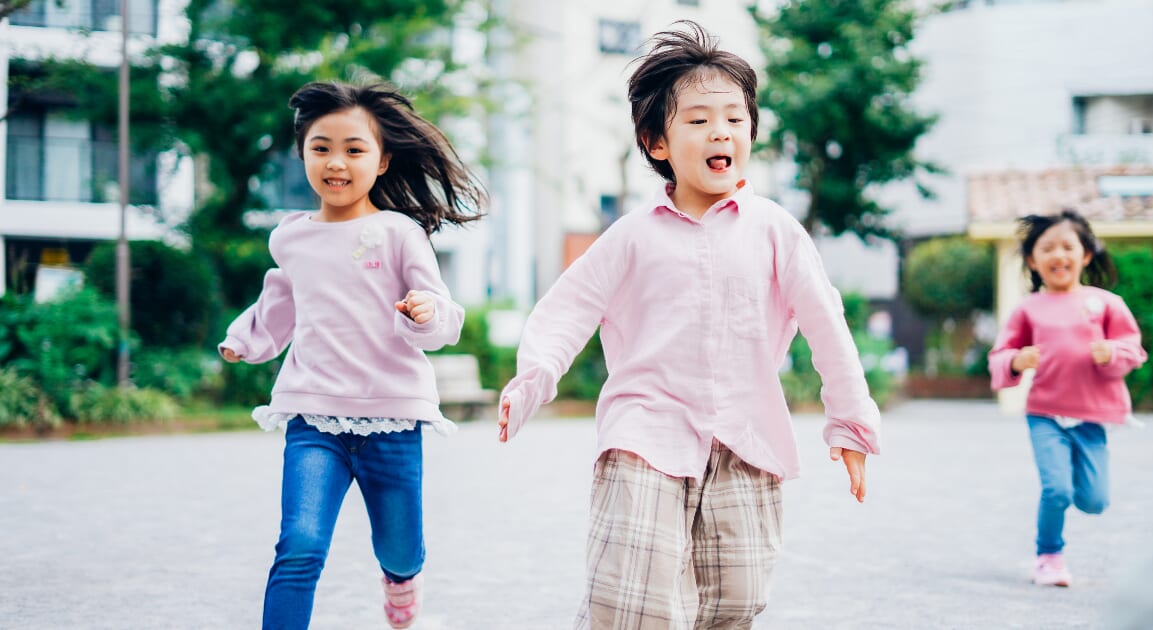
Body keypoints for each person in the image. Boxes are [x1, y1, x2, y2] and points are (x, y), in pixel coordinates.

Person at [497, 21, 881, 629]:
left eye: (735, 117)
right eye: (699, 119)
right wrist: (534, 379)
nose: (721, 130)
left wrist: (849, 423)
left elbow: (826, 326)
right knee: (632, 600)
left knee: (735, 599)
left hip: (746, 440)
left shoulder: (776, 230)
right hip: (644, 434)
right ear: (657, 142)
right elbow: (567, 308)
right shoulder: (631, 235)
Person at [218, 79, 485, 629]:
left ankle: (402, 580)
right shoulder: (290, 237)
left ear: (383, 160)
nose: (336, 162)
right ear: (303, 154)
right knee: (300, 545)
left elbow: (441, 314)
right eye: (321, 148)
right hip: (313, 416)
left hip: (392, 417)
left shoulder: (398, 232)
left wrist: (425, 315)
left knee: (400, 549)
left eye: (353, 149)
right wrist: (245, 341)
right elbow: (281, 301)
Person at [988, 209, 1147, 588]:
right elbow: (999, 357)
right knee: (1056, 489)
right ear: (1032, 260)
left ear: (1086, 255)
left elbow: (1133, 349)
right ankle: (1049, 557)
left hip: (1092, 416)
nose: (1058, 255)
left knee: (1094, 501)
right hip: (1045, 413)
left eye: (1067, 247)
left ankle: (1073, 493)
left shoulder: (1106, 303)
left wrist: (1112, 353)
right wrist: (1016, 360)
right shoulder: (1028, 309)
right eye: (1047, 248)